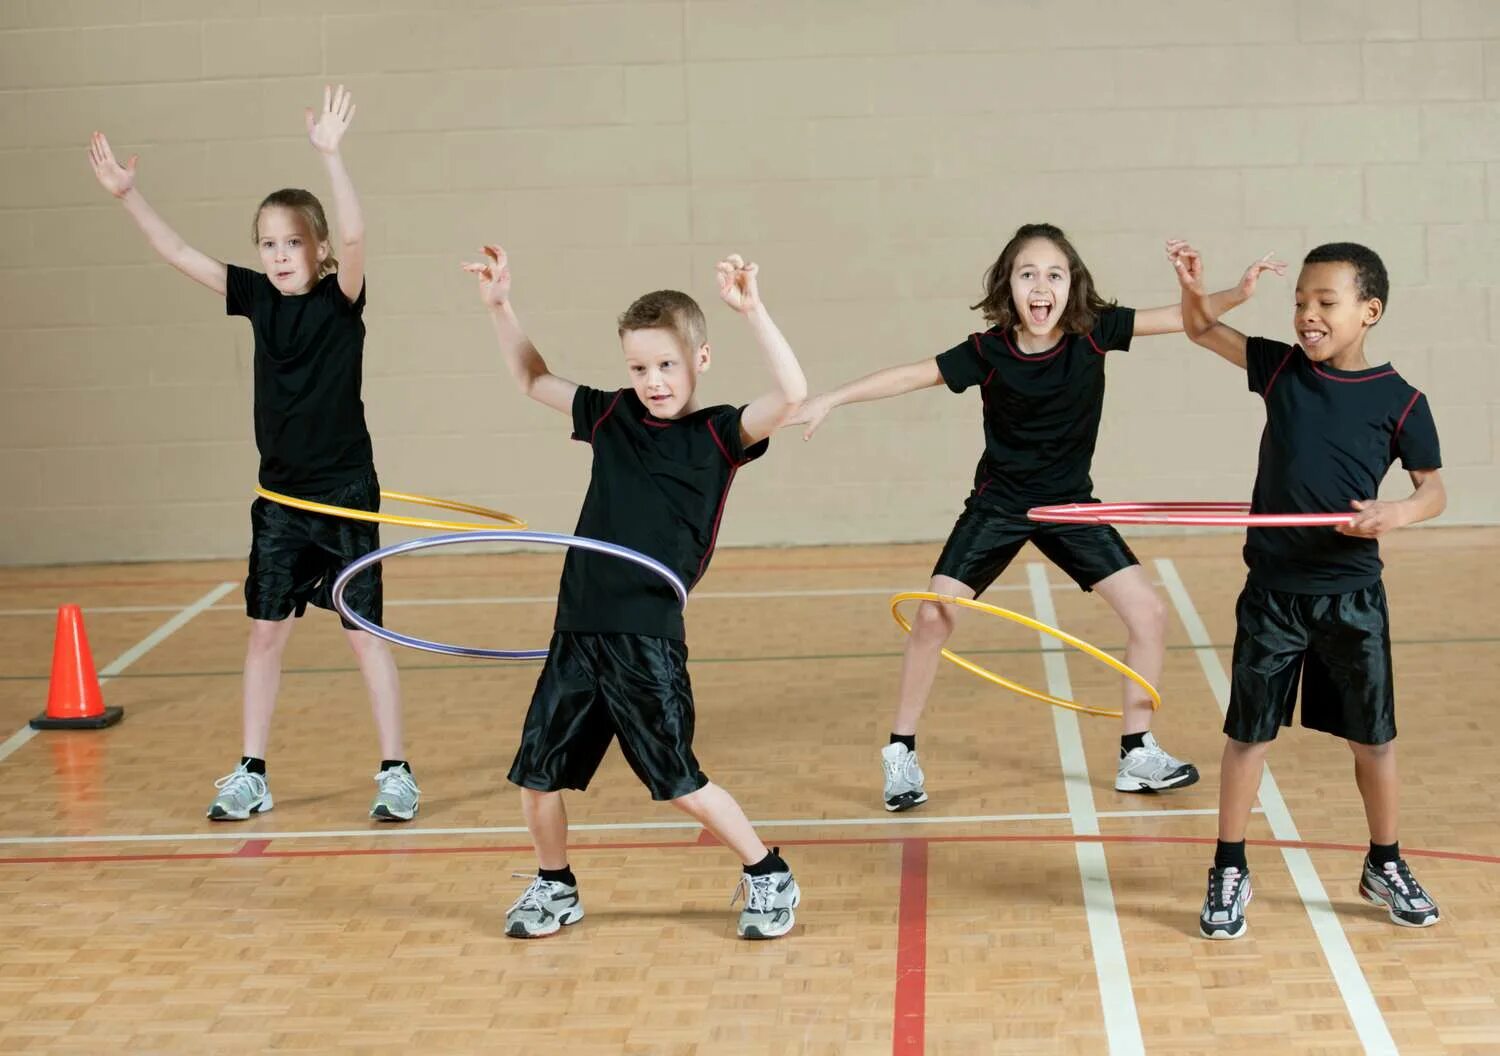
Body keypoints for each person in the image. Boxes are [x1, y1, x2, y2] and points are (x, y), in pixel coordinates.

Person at [793, 223, 1280, 810]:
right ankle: (900, 752)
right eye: (1028, 274)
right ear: (1009, 286)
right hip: (999, 506)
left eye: (1054, 273)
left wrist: (1232, 294)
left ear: (1072, 285)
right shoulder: (987, 351)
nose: (1041, 285)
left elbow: (1181, 319)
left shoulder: (1094, 333)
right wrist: (831, 397)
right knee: (931, 618)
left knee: (1148, 613)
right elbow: (909, 375)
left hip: (1070, 507)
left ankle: (1137, 750)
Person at [87, 87, 420, 823]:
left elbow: (360, 234)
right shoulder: (256, 298)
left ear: (321, 249)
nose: (279, 254)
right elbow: (175, 252)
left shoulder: (342, 299)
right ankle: (252, 771)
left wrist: (331, 156)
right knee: (265, 634)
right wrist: (128, 195)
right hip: (280, 500)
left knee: (363, 635)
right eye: (268, 242)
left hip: (342, 494)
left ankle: (396, 770)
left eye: (294, 241)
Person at [464, 245, 806, 939]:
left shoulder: (719, 435)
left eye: (667, 366)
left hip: (645, 636)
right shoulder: (611, 415)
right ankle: (555, 886)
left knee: (677, 781)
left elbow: (793, 396)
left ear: (699, 361)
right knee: (536, 778)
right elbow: (532, 380)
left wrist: (754, 309)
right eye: (639, 367)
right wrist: (500, 306)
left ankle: (768, 872)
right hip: (577, 628)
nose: (652, 381)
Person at [1171, 240, 1446, 939]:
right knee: (1248, 736)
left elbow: (1434, 491)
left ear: (1369, 310)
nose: (1307, 315)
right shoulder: (1282, 369)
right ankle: (1229, 865)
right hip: (1273, 592)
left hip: (1351, 598)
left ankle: (1384, 861)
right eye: (1300, 303)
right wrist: (1205, 287)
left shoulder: (1402, 401)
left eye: (1325, 302)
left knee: (1374, 742)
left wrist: (1395, 514)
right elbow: (1200, 329)